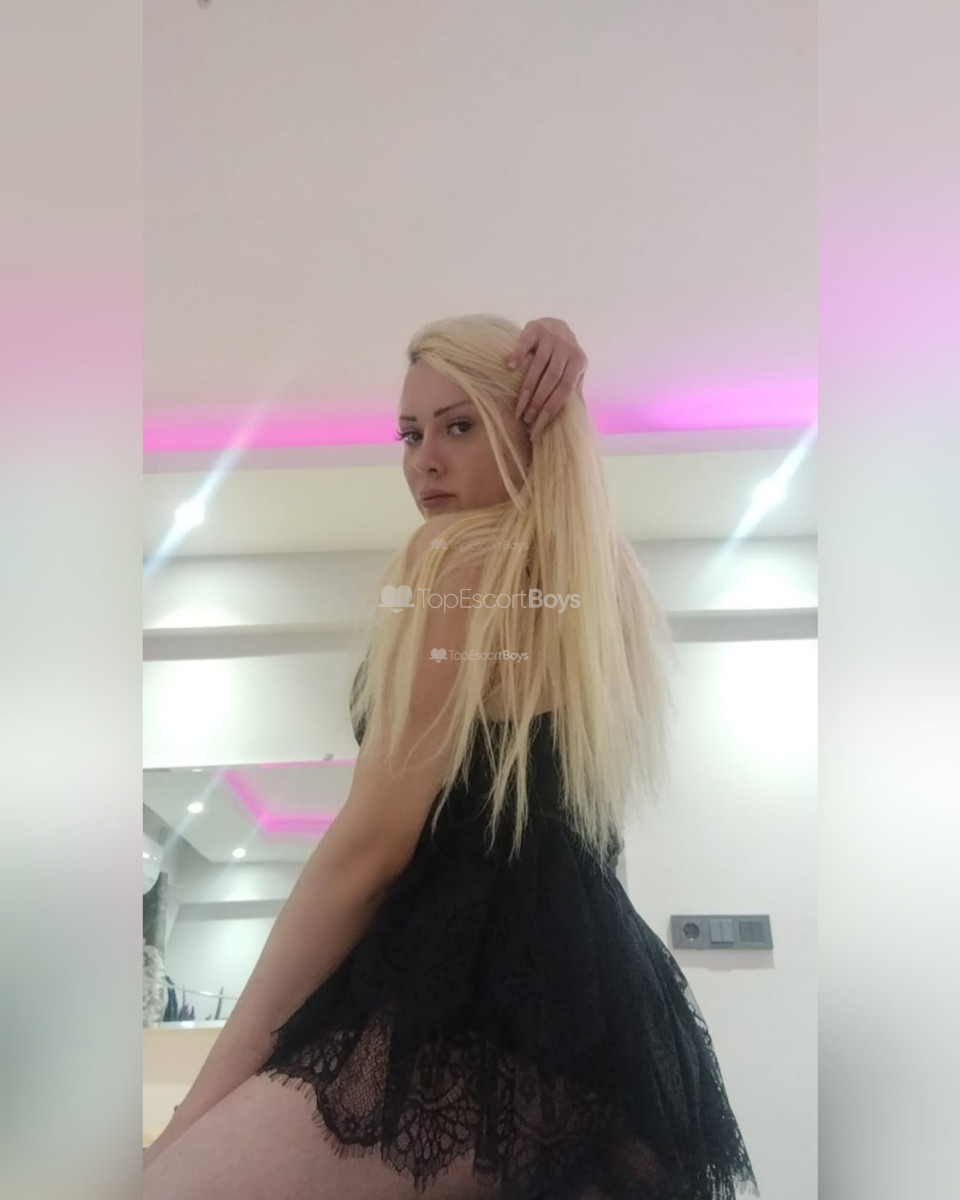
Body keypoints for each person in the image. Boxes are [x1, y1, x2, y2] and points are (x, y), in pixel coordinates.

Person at [143, 315, 759, 1199]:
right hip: (604, 1018)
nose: (424, 461)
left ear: (528, 426)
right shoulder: (600, 580)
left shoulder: (457, 560)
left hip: (466, 1006)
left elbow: (370, 848)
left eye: (459, 426)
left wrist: (195, 1107)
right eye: (410, 434)